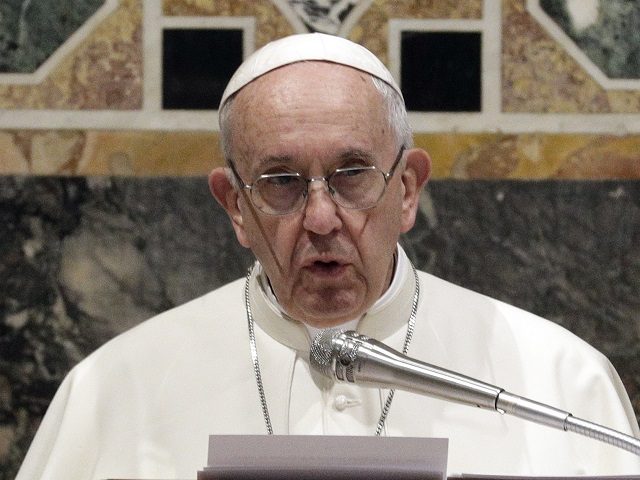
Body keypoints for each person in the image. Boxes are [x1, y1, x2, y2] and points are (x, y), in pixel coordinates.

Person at [16, 33, 640, 479]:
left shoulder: (558, 381)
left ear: (408, 188)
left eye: (352, 174)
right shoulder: (115, 390)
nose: (320, 218)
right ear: (234, 203)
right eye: (281, 183)